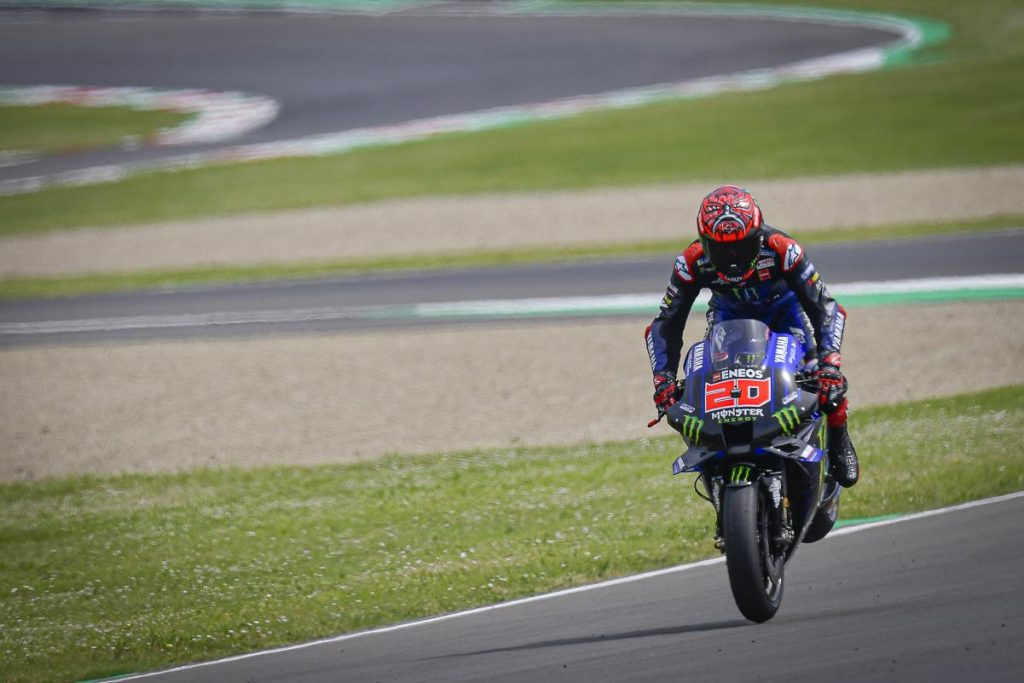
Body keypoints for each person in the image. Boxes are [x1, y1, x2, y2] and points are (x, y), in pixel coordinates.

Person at [644, 185, 859, 487]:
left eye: (741, 247)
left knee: (822, 379)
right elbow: (665, 323)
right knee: (708, 378)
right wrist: (663, 379)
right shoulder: (691, 262)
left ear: (757, 236)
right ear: (705, 243)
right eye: (721, 250)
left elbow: (827, 308)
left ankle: (838, 432)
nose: (733, 258)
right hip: (729, 316)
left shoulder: (784, 249)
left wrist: (830, 365)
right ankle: (717, 455)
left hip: (786, 312)